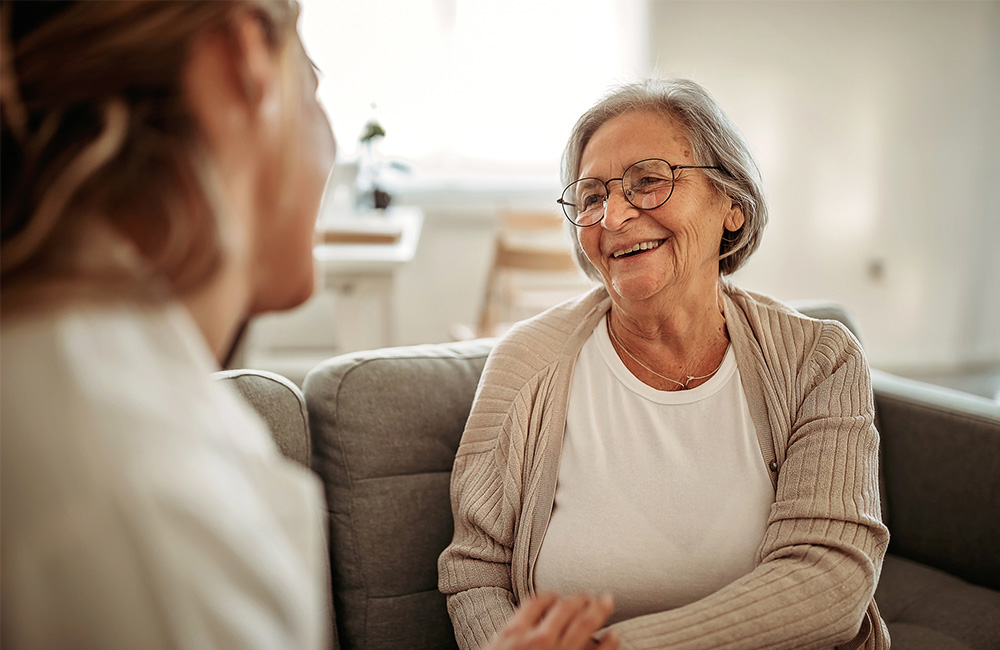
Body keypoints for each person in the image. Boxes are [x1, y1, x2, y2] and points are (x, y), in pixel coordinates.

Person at [0, 2, 616, 649]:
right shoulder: (149, 506)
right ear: (240, 65)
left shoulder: (78, 389)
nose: (331, 138)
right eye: (313, 85)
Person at [439, 78, 890, 649]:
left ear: (732, 204)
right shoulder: (525, 364)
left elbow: (831, 581)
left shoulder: (818, 360)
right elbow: (475, 573)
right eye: (591, 197)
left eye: (648, 182)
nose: (612, 217)